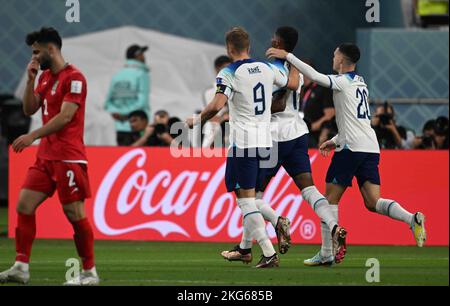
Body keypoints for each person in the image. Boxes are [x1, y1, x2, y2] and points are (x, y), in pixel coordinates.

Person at [267, 43, 427, 266]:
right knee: (372, 202)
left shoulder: (342, 82)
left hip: (351, 149)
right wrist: (334, 141)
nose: (332, 58)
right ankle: (412, 219)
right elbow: (355, 121)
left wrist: (288, 56)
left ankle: (326, 252)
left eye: (334, 55)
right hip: (370, 147)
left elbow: (313, 75)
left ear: (341, 60)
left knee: (328, 200)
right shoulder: (361, 84)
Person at [221, 26, 347, 266]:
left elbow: (277, 105)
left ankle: (272, 227)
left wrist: (249, 112)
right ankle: (333, 225)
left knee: (250, 196)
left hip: (275, 137)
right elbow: (291, 86)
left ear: (278, 42)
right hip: (298, 132)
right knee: (308, 190)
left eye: (273, 39)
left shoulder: (275, 67)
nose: (269, 41)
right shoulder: (294, 66)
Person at [0, 27, 99, 285]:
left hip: (68, 157)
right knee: (23, 205)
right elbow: (29, 109)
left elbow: (66, 117)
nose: (33, 57)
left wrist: (33, 136)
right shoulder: (44, 78)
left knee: (74, 214)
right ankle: (21, 267)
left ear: (51, 49)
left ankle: (89, 272)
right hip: (45, 157)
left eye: (36, 52)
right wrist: (30, 79)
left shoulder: (75, 78)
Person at [104, 44, 150, 146]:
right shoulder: (141, 74)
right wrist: (127, 115)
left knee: (124, 158)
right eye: (142, 54)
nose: (144, 57)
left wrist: (118, 114)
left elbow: (107, 103)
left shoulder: (117, 75)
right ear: (137, 56)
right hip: (139, 127)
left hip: (120, 127)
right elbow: (142, 101)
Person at [300, 62, 335, 148]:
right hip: (305, 132)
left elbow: (330, 114)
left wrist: (314, 125)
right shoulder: (305, 90)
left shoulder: (323, 88)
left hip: (317, 136)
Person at [202, 55, 232, 148]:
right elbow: (211, 115)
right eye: (224, 69)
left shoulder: (237, 87)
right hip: (216, 126)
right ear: (217, 70)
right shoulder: (210, 91)